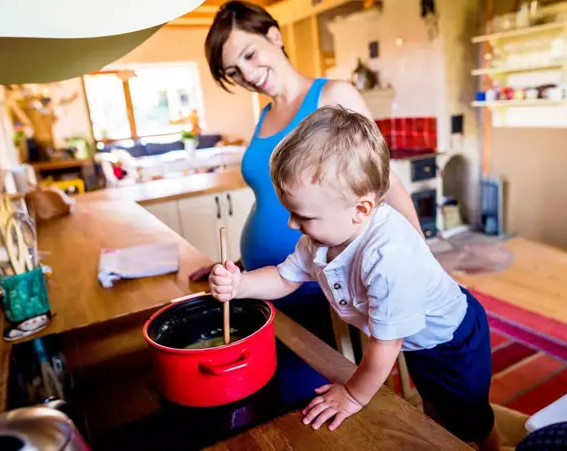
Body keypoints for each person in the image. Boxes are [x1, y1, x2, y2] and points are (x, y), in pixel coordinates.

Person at [208, 106, 501, 451]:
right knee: (436, 410)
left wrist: (351, 395)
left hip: (452, 343)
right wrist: (241, 284)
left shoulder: (388, 257)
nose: (291, 225)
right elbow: (284, 278)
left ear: (360, 210)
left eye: (303, 216)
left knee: (470, 423)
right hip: (416, 342)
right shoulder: (319, 239)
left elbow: (385, 345)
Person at [194, 0, 424, 347]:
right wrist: (238, 269)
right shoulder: (264, 117)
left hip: (316, 282)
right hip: (263, 282)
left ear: (274, 36)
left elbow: (385, 181)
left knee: (318, 383)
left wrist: (420, 255)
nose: (248, 75)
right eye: (233, 72)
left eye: (250, 55)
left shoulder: (333, 95)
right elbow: (273, 201)